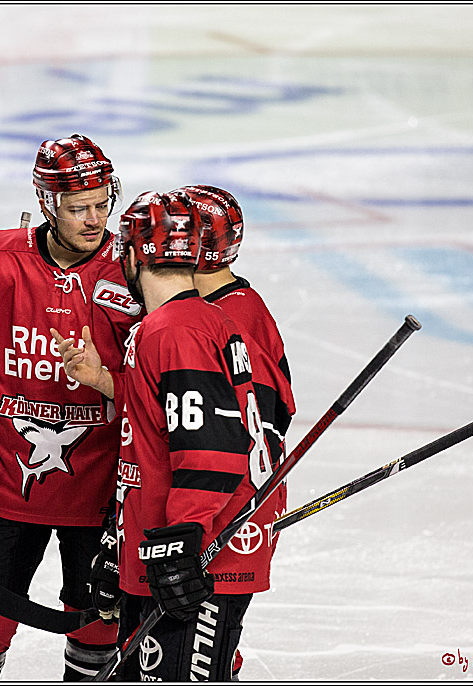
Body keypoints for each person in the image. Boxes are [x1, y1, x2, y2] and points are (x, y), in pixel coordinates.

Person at [0, 134, 141, 680]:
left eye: (102, 204)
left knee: (100, 626)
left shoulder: (133, 269)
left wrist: (106, 380)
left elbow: (155, 377)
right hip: (2, 479)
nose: (95, 219)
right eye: (79, 208)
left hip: (103, 485)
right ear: (48, 203)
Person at [55, 191, 266, 681]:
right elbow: (165, 418)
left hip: (192, 555)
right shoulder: (191, 321)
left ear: (132, 255)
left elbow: (212, 448)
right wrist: (103, 379)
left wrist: (180, 541)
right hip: (166, 545)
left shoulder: (174, 330)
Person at [174, 184, 296, 678]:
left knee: (201, 661)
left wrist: (198, 520)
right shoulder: (197, 308)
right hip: (198, 508)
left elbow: (251, 430)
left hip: (224, 515)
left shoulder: (233, 316)